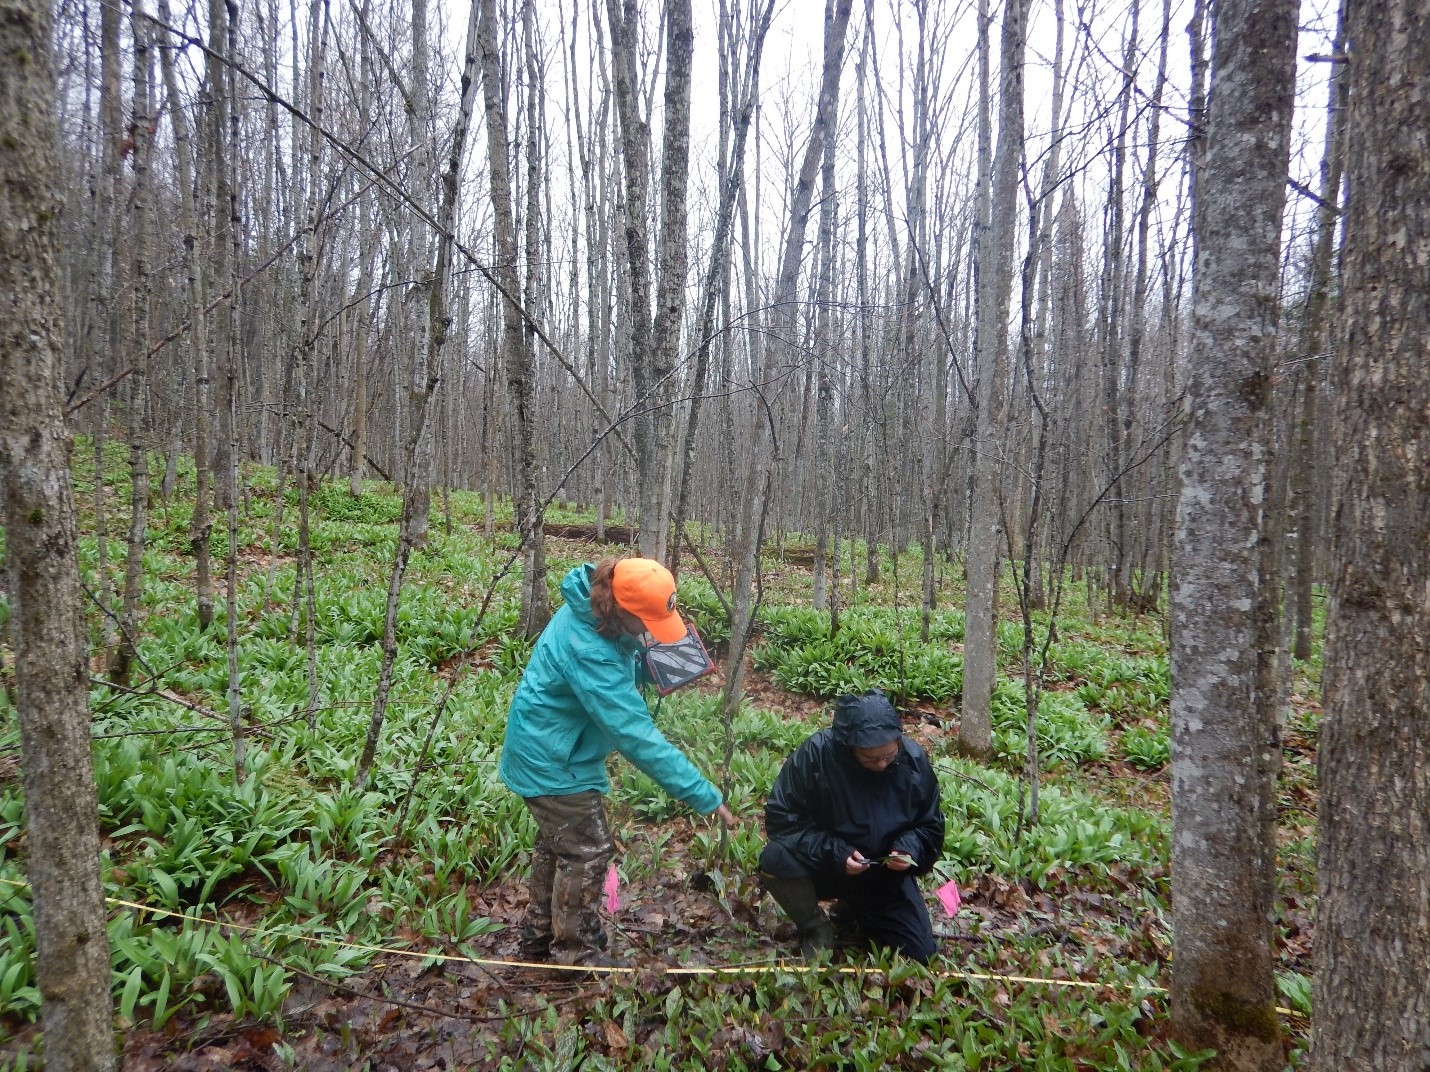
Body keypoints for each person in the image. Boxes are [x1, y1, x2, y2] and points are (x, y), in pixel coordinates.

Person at [499, 556, 735, 967]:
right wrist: (703, 794)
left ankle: (538, 936)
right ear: (620, 608)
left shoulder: (593, 609)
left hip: (554, 747)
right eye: (644, 622)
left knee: (559, 847)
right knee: (588, 851)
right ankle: (576, 954)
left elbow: (620, 652)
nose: (648, 631)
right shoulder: (587, 647)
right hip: (553, 761)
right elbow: (636, 737)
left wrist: (657, 667)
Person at [760, 690, 944, 962]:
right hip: (826, 867)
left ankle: (852, 910)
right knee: (775, 858)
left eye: (889, 755)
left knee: (921, 956)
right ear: (849, 747)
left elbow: (931, 826)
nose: (882, 765)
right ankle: (816, 928)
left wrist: (909, 848)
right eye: (871, 758)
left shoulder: (913, 761)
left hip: (882, 876)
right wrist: (834, 852)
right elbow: (782, 819)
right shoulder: (816, 755)